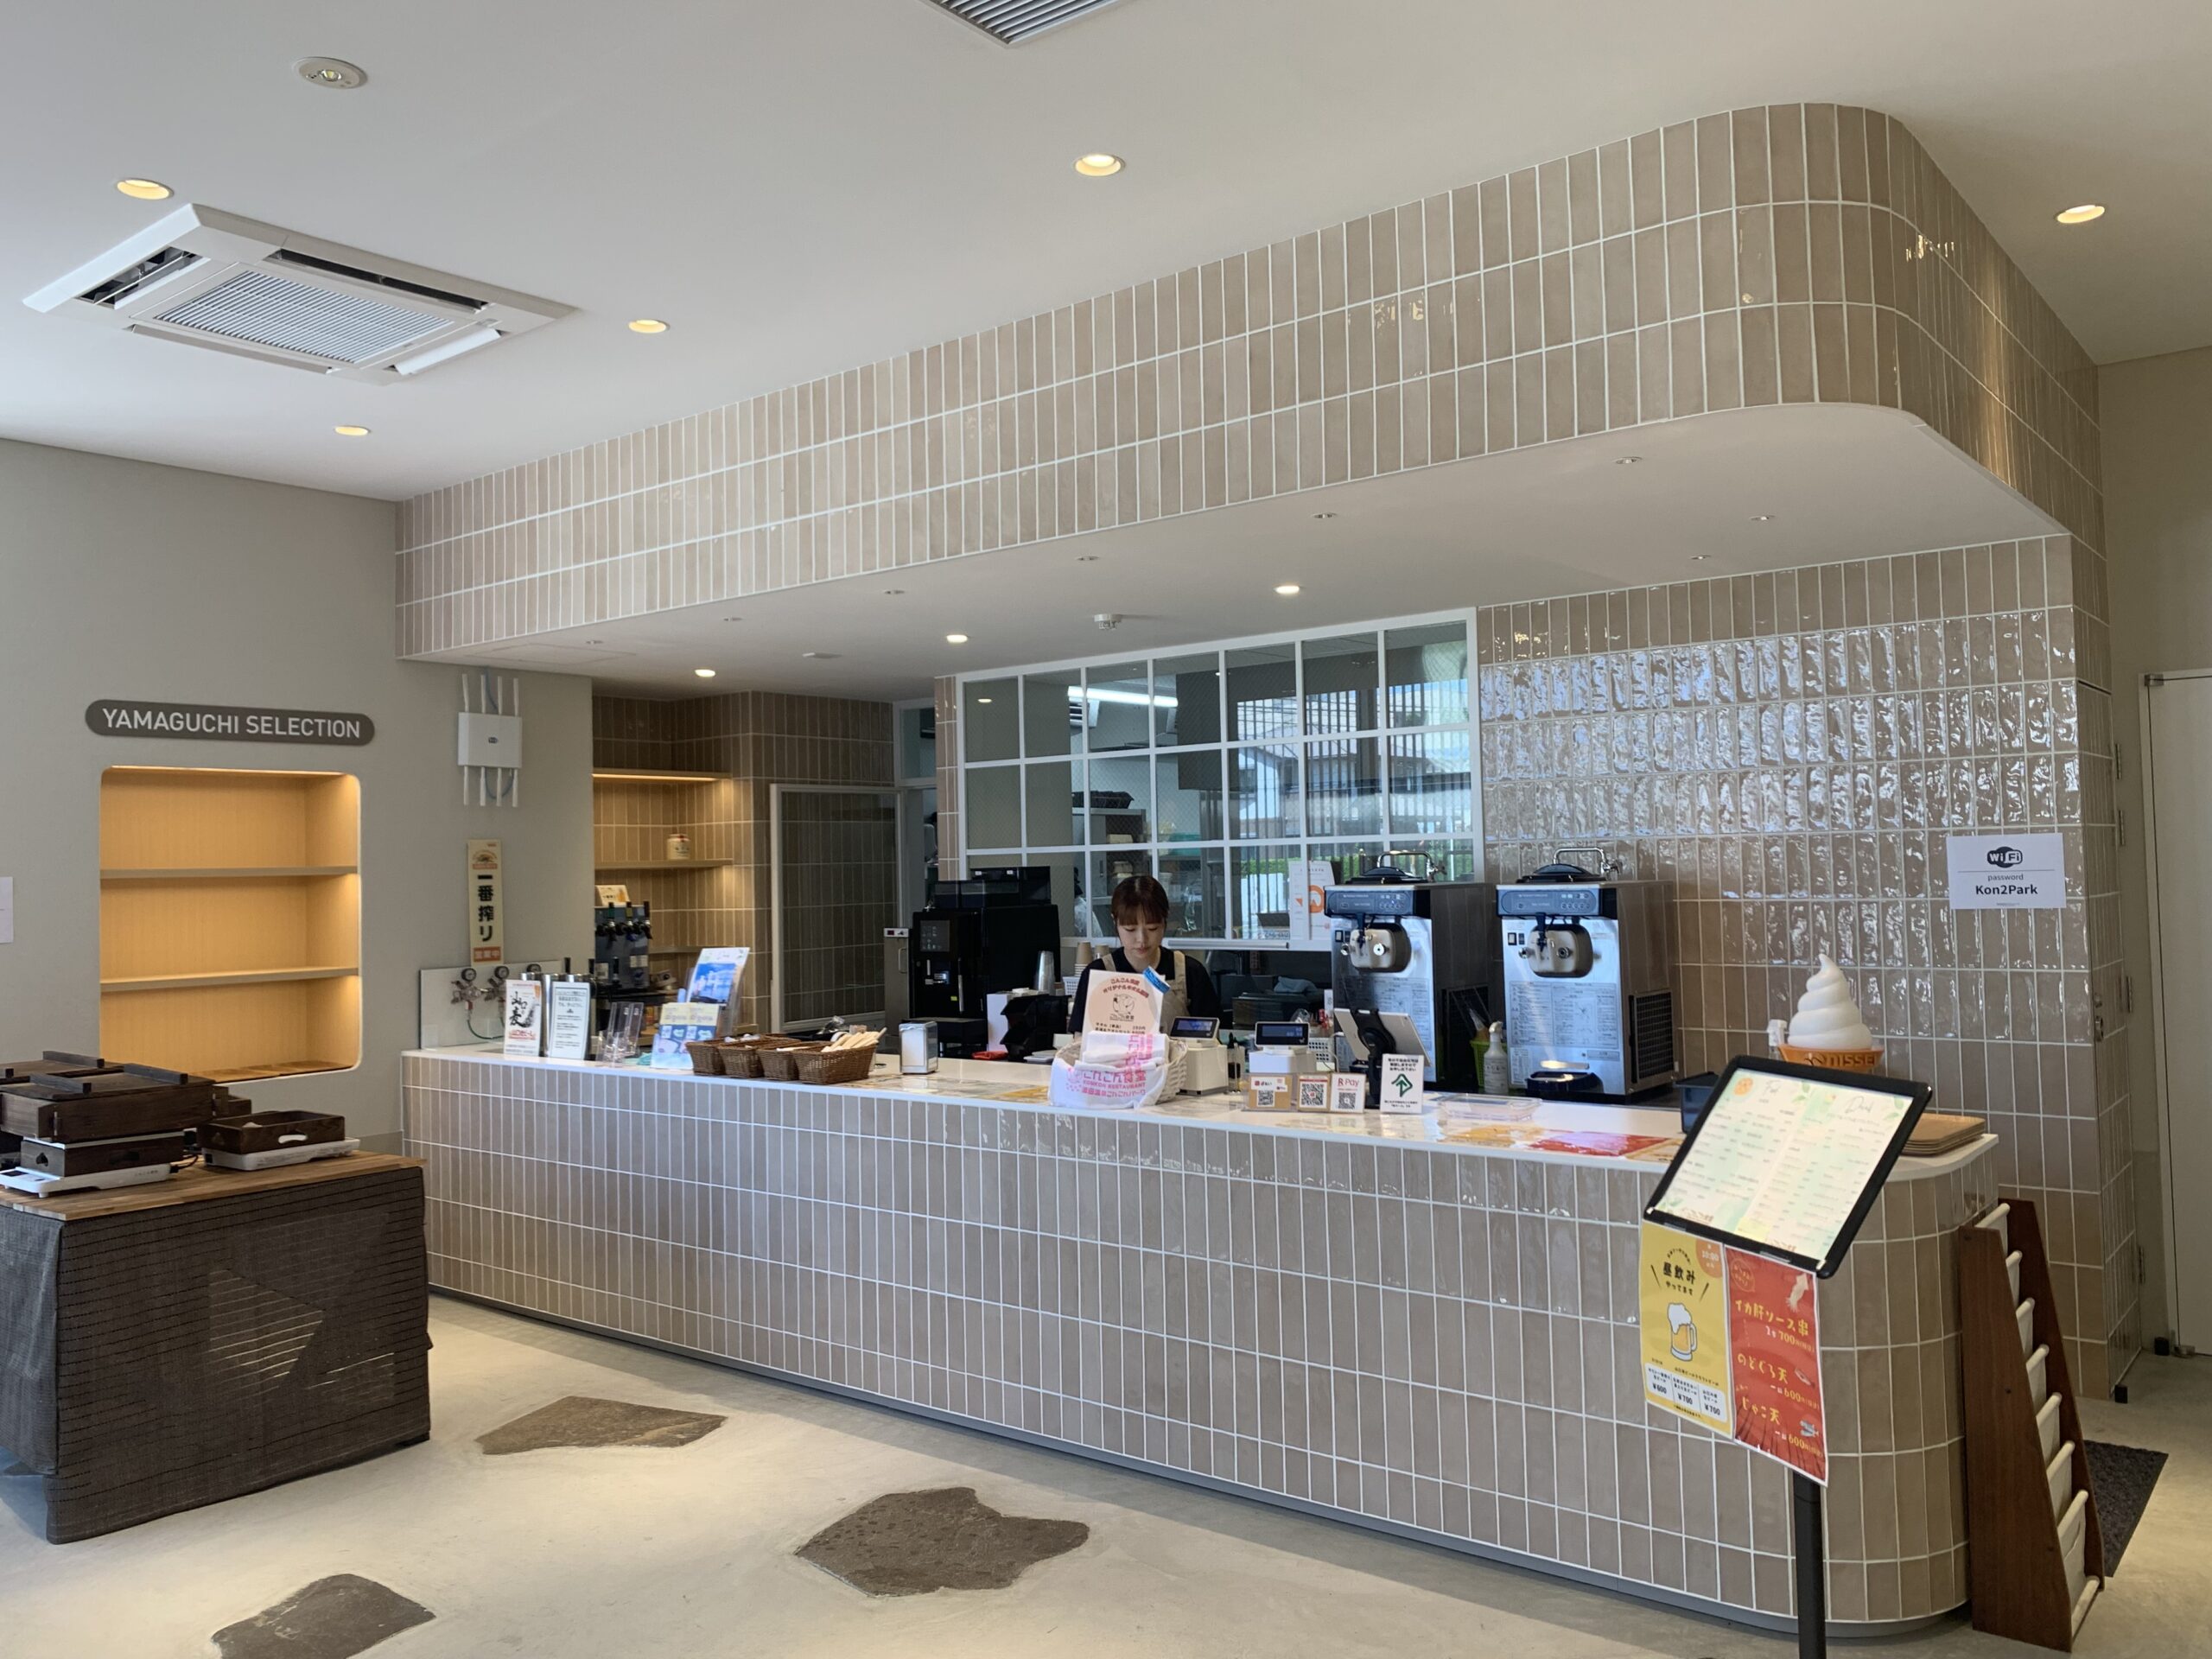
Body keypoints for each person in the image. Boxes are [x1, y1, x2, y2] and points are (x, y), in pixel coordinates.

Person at [1070, 874, 1222, 1031]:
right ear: (1115, 922)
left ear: (1165, 921)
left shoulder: (1190, 973)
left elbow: (1212, 1035)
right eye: (1130, 929)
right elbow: (1080, 1038)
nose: (1142, 939)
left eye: (1152, 928)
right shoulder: (1097, 973)